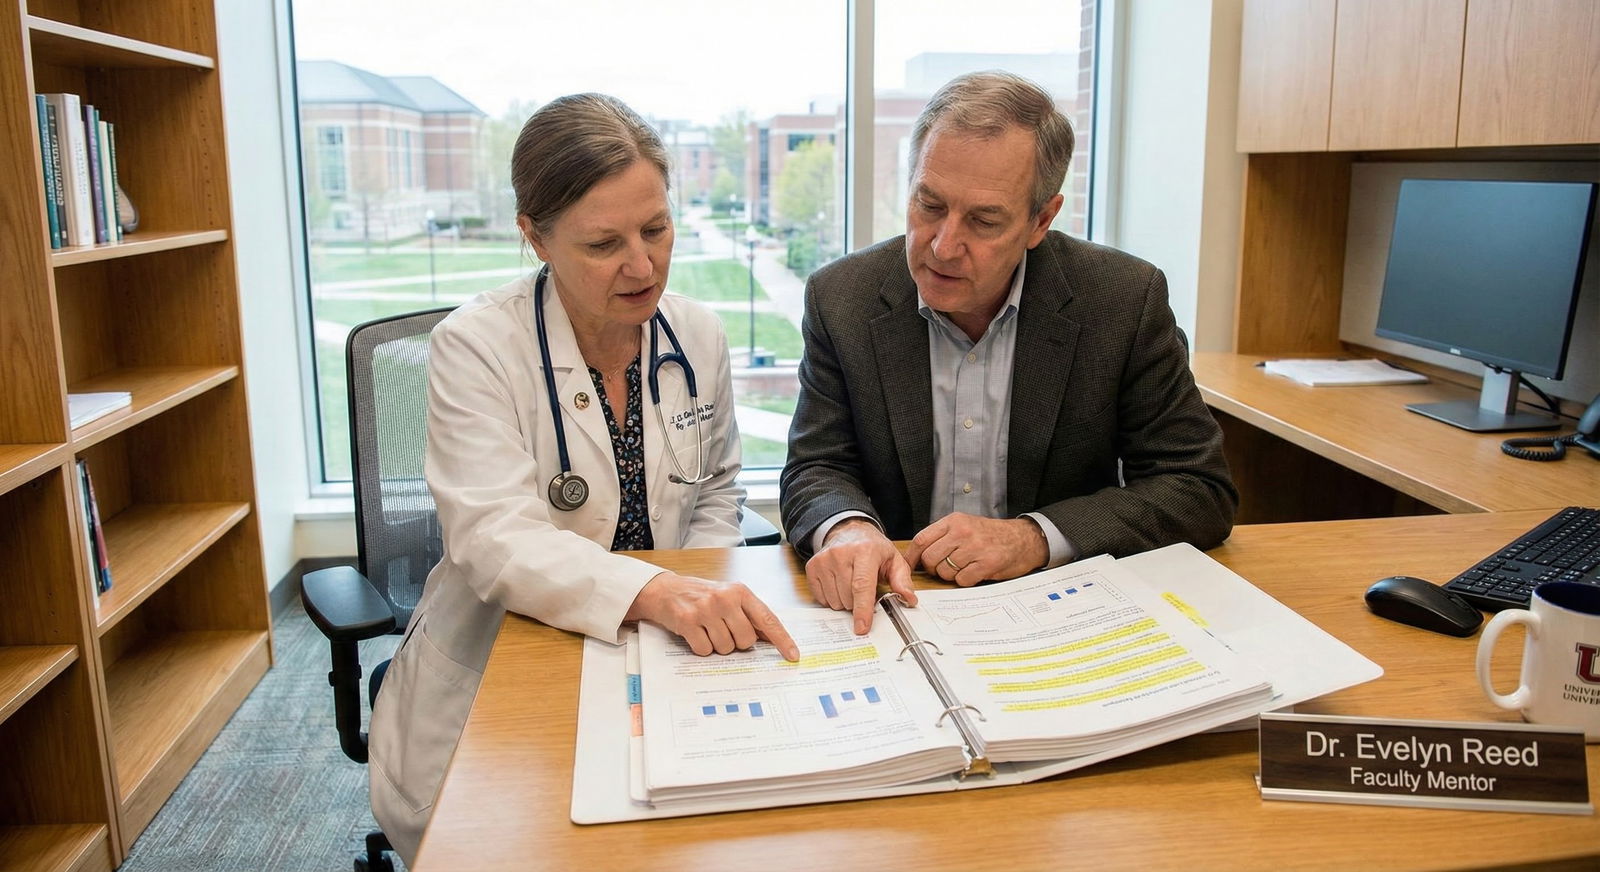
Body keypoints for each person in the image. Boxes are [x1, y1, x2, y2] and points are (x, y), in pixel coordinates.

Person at [369, 93, 799, 863]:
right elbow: (495, 540)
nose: (643, 265)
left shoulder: (696, 334)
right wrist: (657, 593)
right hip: (504, 663)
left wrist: (693, 595)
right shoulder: (477, 346)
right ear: (534, 236)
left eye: (656, 229)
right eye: (604, 243)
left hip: (663, 651)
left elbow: (715, 491)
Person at [780, 71, 1237, 634]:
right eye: (929, 205)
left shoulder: (1122, 300)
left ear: (1041, 220)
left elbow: (1197, 488)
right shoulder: (841, 297)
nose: (944, 246)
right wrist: (847, 528)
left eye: (984, 220)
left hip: (1061, 608)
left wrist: (1033, 537)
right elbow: (817, 465)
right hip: (899, 608)